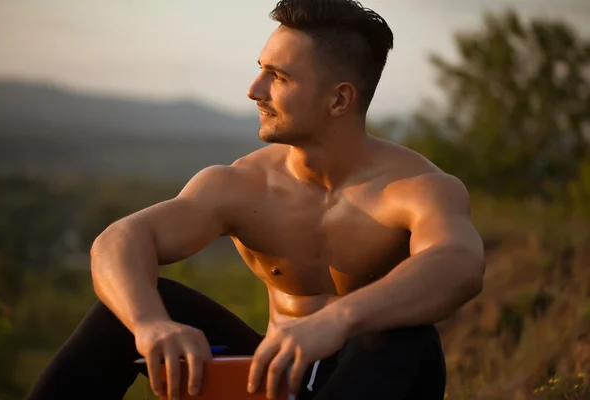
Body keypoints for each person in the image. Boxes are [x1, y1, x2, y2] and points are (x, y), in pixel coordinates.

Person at [27, 0, 485, 399]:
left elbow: (459, 262)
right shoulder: (243, 184)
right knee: (136, 303)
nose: (254, 89)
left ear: (339, 100)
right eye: (261, 68)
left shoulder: (417, 188)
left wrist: (343, 318)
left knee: (401, 336)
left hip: (372, 381)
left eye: (278, 77)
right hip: (271, 379)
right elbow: (121, 238)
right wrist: (150, 323)